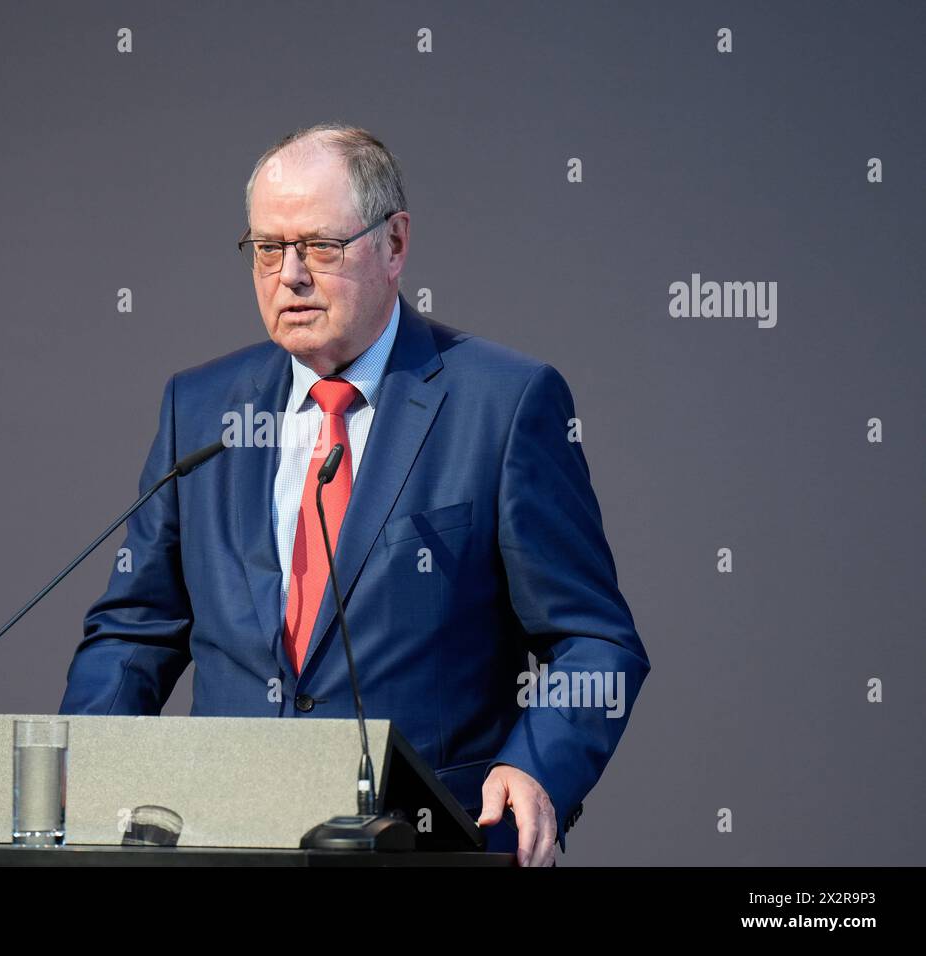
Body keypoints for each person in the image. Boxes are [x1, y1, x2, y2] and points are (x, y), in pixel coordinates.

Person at [59, 123, 650, 866]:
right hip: (226, 842)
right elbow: (134, 631)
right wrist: (71, 783)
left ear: (395, 244)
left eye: (321, 247)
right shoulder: (202, 408)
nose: (290, 275)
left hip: (424, 845)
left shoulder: (503, 404)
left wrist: (537, 766)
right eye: (269, 249)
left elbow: (596, 641)